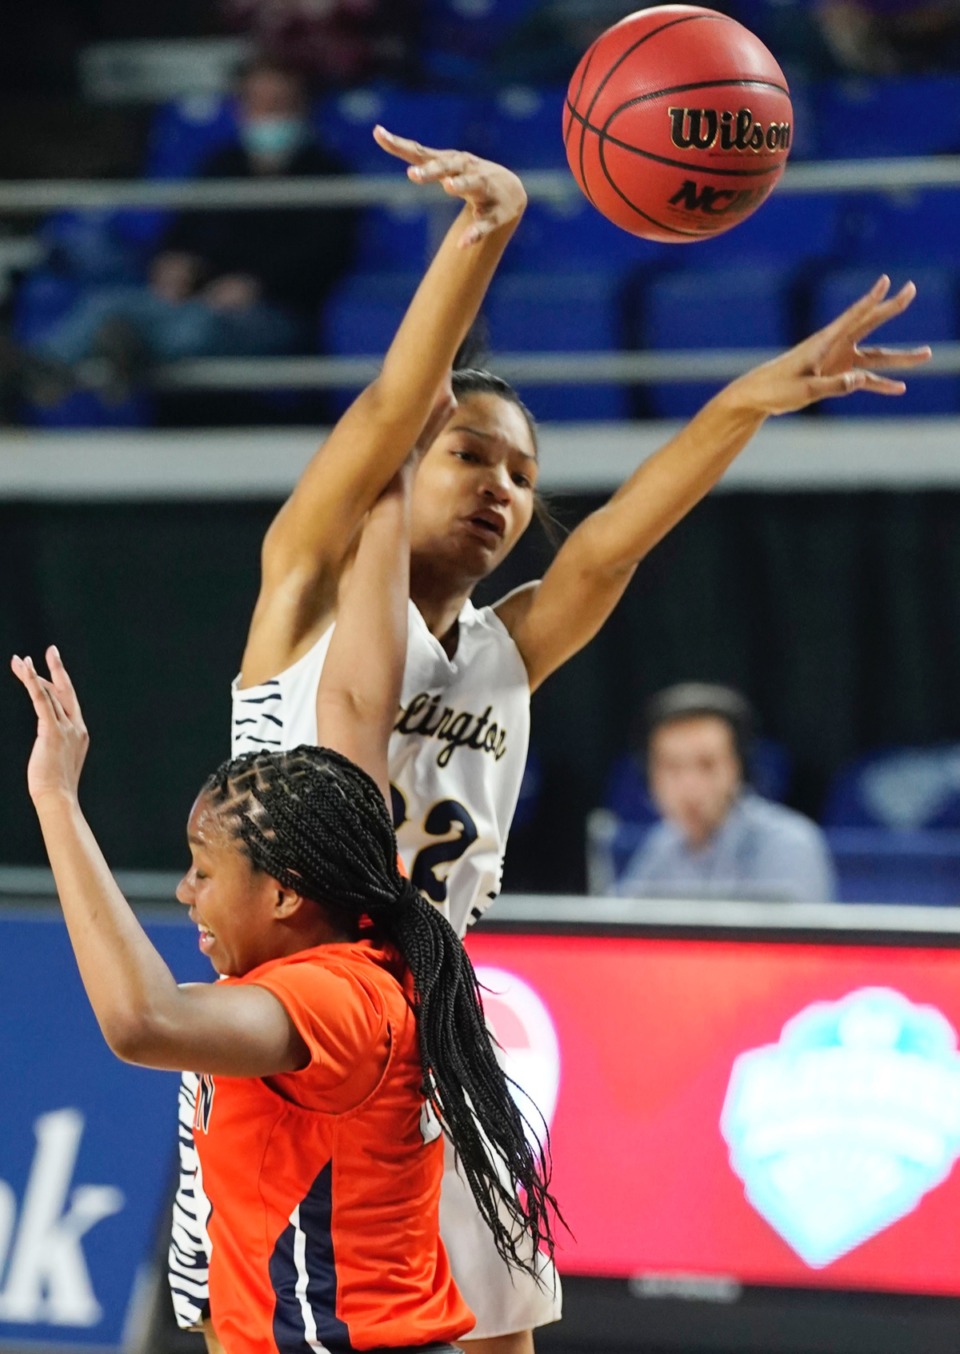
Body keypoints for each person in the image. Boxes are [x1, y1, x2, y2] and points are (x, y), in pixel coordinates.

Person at [173, 124, 931, 1354]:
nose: (500, 488)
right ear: (409, 468)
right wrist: (483, 233)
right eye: (469, 454)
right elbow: (386, 406)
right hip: (295, 1011)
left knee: (500, 1332)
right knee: (263, 1331)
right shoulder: (306, 584)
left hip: (440, 1013)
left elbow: (614, 544)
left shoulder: (507, 646)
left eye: (522, 475)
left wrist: (746, 397)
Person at [10, 456, 556, 1352]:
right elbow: (351, 709)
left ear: (287, 890)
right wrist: (394, 483)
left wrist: (59, 806)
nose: (186, 892)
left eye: (201, 868)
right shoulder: (376, 965)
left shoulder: (334, 1000)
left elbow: (140, 1021)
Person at [8, 54, 356, 407]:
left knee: (197, 327)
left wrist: (259, 285)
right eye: (258, 104)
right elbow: (184, 232)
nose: (268, 115)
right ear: (240, 108)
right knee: (108, 303)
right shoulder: (221, 165)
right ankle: (33, 370)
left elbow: (326, 254)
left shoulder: (329, 173)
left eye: (280, 104)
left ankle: (131, 349)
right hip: (197, 298)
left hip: (275, 311)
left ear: (304, 108)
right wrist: (176, 264)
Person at [616, 683, 837, 902]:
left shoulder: (790, 842)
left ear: (737, 768)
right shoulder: (662, 843)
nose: (689, 783)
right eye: (672, 766)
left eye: (707, 765)